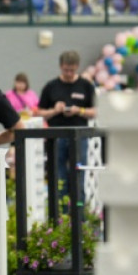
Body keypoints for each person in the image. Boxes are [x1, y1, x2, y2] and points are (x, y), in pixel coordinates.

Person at [35, 51, 96, 201]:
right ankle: (60, 217)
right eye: (66, 70)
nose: (69, 73)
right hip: (56, 136)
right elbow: (38, 112)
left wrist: (79, 110)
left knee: (78, 176)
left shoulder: (86, 86)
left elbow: (96, 111)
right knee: (58, 177)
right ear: (60, 67)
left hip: (79, 135)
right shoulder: (51, 86)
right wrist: (54, 110)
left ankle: (80, 217)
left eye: (72, 70)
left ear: (77, 67)